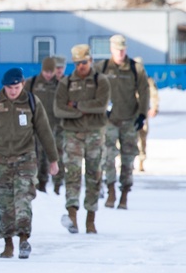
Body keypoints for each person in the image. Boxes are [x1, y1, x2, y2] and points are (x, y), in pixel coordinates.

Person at [0, 68, 59, 259]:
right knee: (4, 203)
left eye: (17, 87)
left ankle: (23, 239)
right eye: (10, 87)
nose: (13, 91)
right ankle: (7, 243)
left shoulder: (31, 102)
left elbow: (45, 132)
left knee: (23, 198)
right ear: (4, 86)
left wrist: (53, 159)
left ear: (22, 85)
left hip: (25, 159)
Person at [55, 44, 111, 234]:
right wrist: (83, 109)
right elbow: (58, 109)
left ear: (91, 60)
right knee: (72, 175)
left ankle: (91, 219)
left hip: (95, 134)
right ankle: (72, 216)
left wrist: (76, 105)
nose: (81, 66)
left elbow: (101, 106)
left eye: (84, 62)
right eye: (78, 63)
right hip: (72, 135)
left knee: (94, 175)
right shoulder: (66, 83)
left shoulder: (101, 81)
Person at [95, 34, 150, 209]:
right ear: (111, 49)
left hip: (129, 120)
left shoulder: (135, 68)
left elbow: (144, 92)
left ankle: (124, 194)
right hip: (109, 121)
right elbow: (92, 89)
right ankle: (111, 190)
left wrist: (142, 115)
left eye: (123, 49)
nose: (120, 52)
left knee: (128, 159)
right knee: (108, 157)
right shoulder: (102, 67)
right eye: (117, 49)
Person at [26, 57, 63, 194]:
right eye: (46, 71)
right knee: (35, 155)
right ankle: (35, 183)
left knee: (50, 156)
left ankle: (46, 182)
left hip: (54, 126)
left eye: (51, 72)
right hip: (35, 126)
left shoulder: (59, 84)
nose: (48, 75)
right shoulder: (33, 83)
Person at [136, 65, 159, 172]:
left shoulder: (147, 80)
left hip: (142, 112)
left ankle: (141, 161)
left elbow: (154, 94)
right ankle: (126, 161)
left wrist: (154, 107)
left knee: (142, 136)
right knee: (126, 138)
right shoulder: (128, 78)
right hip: (127, 113)